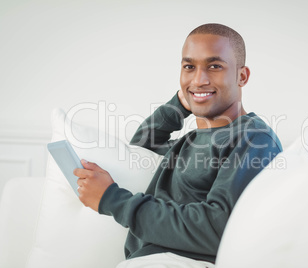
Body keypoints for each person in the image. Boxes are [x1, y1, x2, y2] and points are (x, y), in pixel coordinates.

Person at [74, 23, 282, 266]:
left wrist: (112, 200)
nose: (199, 78)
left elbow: (217, 229)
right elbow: (141, 146)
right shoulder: (189, 141)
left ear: (242, 76)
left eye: (214, 66)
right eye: (189, 67)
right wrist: (182, 101)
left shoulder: (253, 138)